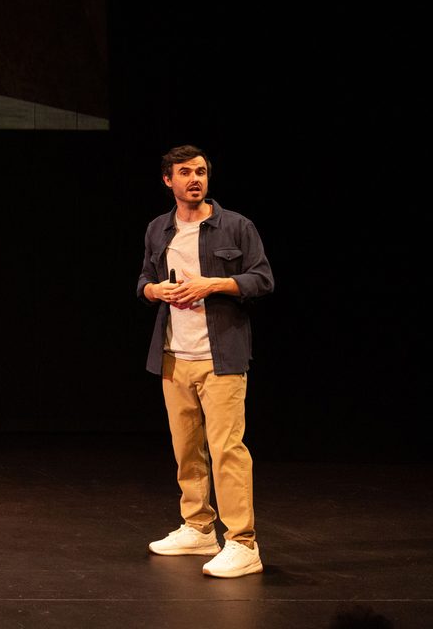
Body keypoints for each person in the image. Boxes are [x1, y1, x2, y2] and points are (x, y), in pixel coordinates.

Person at [136, 144, 273, 578]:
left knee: (227, 450)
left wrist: (213, 284)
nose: (195, 179)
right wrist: (153, 292)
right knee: (187, 450)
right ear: (168, 180)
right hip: (174, 355)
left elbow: (263, 279)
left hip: (221, 356)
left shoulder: (235, 226)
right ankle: (198, 527)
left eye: (201, 171)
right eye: (185, 172)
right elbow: (144, 278)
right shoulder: (159, 229)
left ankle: (243, 542)